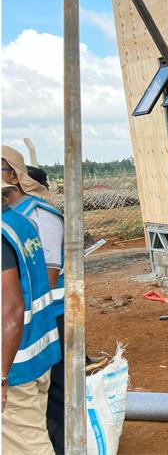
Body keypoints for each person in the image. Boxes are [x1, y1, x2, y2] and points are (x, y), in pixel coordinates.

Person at [1, 146, 65, 453]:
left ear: (14, 176)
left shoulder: (36, 217)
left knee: (30, 438)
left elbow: (14, 307)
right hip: (35, 340)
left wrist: (2, 376)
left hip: (24, 349)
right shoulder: (20, 221)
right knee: (35, 427)